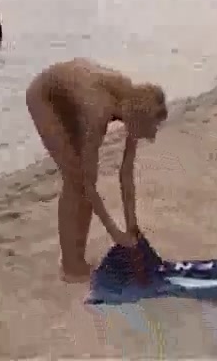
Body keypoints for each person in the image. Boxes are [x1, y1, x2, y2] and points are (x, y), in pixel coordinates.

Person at [26, 59, 168, 282]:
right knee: (76, 179)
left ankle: (76, 258)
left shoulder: (134, 101)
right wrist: (115, 233)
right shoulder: (98, 111)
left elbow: (126, 174)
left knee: (81, 181)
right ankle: (71, 267)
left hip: (74, 96)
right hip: (45, 96)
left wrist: (132, 227)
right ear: (136, 119)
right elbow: (88, 182)